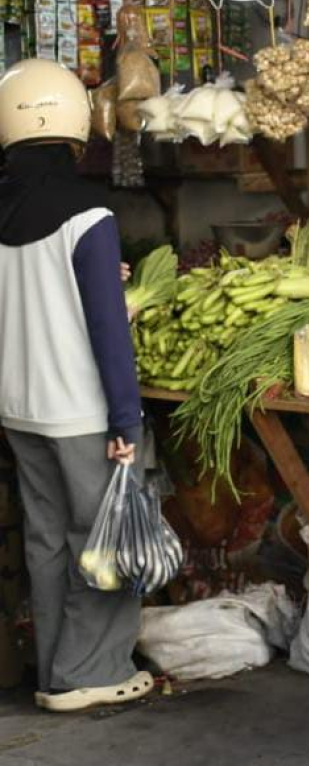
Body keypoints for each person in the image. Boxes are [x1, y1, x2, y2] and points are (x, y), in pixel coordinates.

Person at [0, 59, 152, 711]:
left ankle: (53, 671)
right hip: (81, 410)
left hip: (19, 409)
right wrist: (126, 418)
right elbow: (108, 332)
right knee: (102, 540)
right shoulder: (89, 213)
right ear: (75, 127)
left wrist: (88, 277)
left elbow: (30, 290)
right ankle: (91, 673)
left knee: (46, 541)